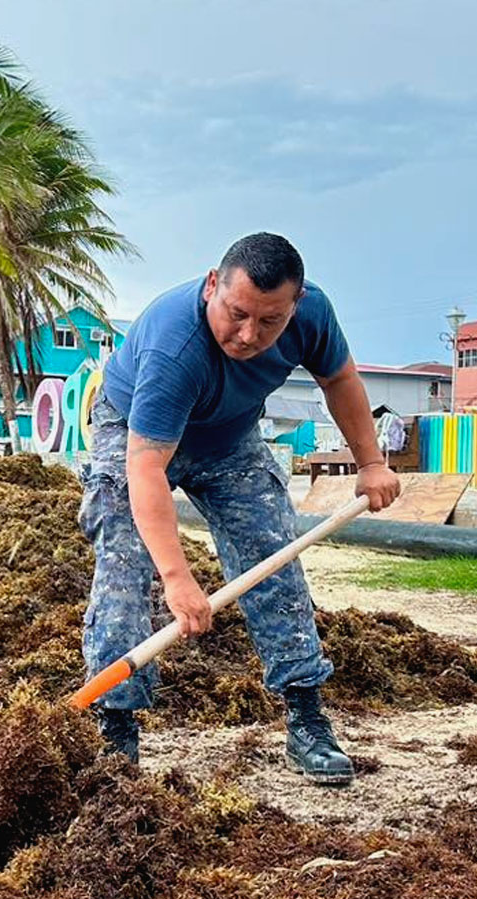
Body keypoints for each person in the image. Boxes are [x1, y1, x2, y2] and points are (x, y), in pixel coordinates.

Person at [81, 233, 400, 785]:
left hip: (229, 439)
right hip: (136, 431)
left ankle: (306, 719)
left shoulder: (312, 314)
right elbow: (146, 470)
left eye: (269, 322)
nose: (249, 335)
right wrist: (178, 578)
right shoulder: (171, 345)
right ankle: (117, 729)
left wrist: (370, 463)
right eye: (237, 314)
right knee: (124, 562)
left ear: (294, 308)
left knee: (273, 557)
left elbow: (340, 379)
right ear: (212, 285)